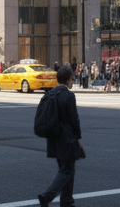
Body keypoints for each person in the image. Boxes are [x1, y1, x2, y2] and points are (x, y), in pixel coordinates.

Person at [37, 64, 84, 207]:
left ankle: (67, 201)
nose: (73, 79)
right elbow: (74, 119)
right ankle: (47, 196)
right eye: (72, 77)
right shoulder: (68, 96)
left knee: (66, 169)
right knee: (67, 170)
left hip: (54, 137)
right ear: (68, 79)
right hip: (67, 138)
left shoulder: (50, 94)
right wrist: (78, 138)